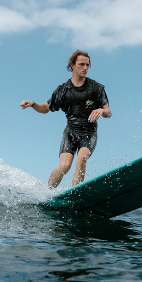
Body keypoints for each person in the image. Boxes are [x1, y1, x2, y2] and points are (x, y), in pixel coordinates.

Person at [19, 50, 111, 189]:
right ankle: (47, 193)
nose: (85, 68)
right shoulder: (63, 90)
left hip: (89, 131)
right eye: (82, 64)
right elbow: (45, 108)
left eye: (87, 65)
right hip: (70, 132)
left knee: (81, 158)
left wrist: (101, 110)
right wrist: (33, 104)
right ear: (72, 65)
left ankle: (75, 194)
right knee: (65, 166)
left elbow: (108, 112)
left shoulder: (96, 88)